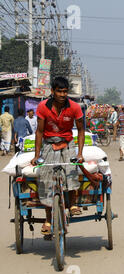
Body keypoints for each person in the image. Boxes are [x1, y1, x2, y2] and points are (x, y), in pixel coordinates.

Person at [30, 77, 85, 237]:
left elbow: (81, 130)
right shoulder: (43, 107)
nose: (62, 94)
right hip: (48, 144)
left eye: (65, 91)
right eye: (59, 91)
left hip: (67, 143)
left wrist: (80, 154)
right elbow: (39, 132)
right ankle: (48, 220)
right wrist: (36, 155)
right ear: (52, 91)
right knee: (46, 178)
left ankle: (73, 205)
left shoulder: (74, 107)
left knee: (71, 170)